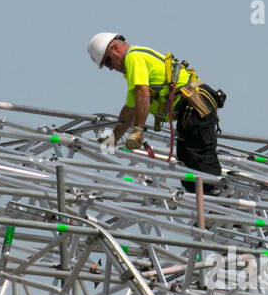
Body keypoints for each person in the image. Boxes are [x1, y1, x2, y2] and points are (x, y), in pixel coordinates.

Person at [86, 32, 227, 193]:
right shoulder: (135, 65)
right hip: (189, 111)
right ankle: (204, 203)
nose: (111, 69)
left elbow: (143, 94)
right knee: (186, 161)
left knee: (199, 155)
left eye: (108, 62)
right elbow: (129, 110)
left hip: (195, 107)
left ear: (116, 49)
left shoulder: (133, 58)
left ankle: (217, 200)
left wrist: (138, 130)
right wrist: (113, 139)